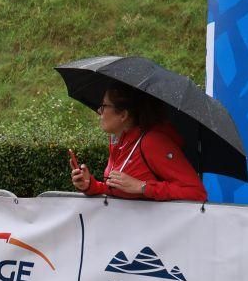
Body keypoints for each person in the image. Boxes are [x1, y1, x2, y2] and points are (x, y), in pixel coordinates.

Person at [71, 84, 207, 201]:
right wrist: (90, 185)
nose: (99, 111)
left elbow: (196, 192)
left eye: (104, 106)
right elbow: (118, 189)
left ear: (123, 115)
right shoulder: (118, 141)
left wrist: (143, 187)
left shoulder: (152, 142)